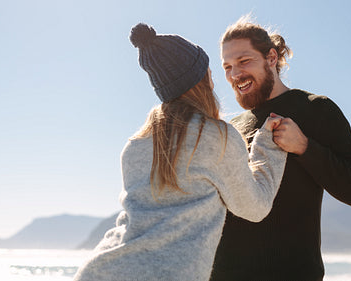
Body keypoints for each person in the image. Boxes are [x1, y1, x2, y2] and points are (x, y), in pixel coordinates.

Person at [72, 23, 287, 281]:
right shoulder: (216, 137)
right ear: (202, 80)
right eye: (209, 71)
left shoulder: (135, 145)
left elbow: (132, 220)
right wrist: (268, 144)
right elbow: (256, 208)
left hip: (100, 270)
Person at [210, 15, 351, 281]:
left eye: (244, 61)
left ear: (271, 58)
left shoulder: (315, 109)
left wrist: (305, 148)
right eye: (227, 66)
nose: (235, 74)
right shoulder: (232, 127)